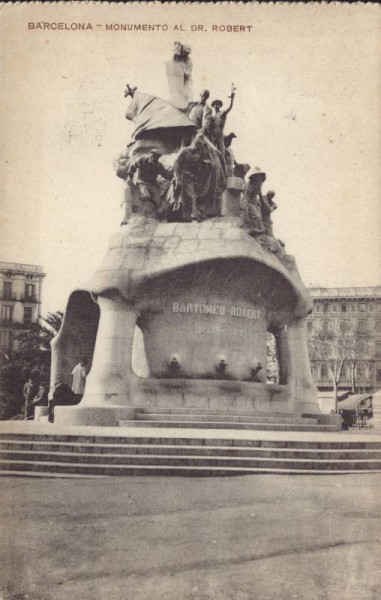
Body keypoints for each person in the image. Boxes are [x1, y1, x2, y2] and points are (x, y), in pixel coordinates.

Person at [128, 151, 172, 217]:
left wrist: (173, 177)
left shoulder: (158, 165)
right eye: (151, 156)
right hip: (142, 182)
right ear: (149, 155)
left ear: (157, 159)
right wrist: (130, 178)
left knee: (158, 201)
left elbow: (165, 174)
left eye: (154, 158)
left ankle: (159, 215)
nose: (151, 159)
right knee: (146, 195)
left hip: (152, 184)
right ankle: (138, 205)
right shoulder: (142, 160)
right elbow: (132, 168)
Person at [210, 91, 235, 169]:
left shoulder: (222, 113)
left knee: (222, 154)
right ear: (213, 106)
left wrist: (232, 99)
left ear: (220, 106)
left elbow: (230, 108)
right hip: (212, 136)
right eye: (215, 104)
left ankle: (224, 172)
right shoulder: (212, 116)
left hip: (220, 136)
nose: (216, 106)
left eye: (218, 104)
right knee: (210, 152)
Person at [243, 167, 267, 237]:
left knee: (259, 218)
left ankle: (257, 233)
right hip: (249, 201)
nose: (259, 179)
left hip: (256, 202)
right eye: (258, 176)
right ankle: (252, 229)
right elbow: (246, 196)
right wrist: (246, 206)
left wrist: (262, 203)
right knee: (257, 216)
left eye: (260, 177)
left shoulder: (259, 185)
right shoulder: (249, 184)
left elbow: (260, 194)